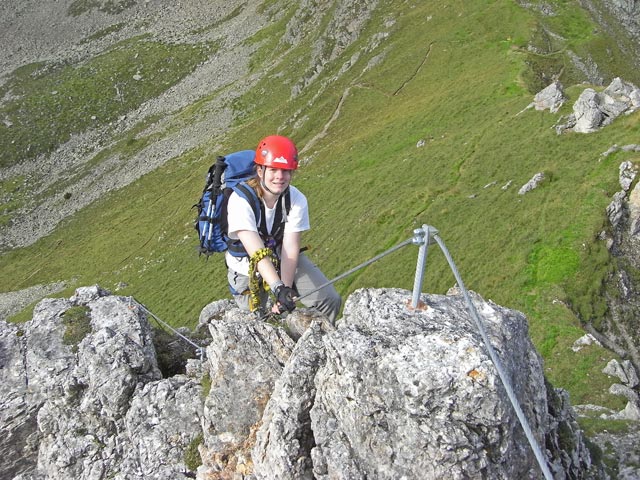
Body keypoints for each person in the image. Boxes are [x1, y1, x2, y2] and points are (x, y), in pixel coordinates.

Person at [225, 135, 341, 323]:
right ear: (260, 170)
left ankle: (316, 344)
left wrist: (285, 291)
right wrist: (279, 288)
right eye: (273, 170)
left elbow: (290, 247)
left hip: (281, 257)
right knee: (255, 323)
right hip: (246, 268)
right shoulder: (240, 200)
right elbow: (257, 253)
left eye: (285, 171)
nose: (280, 176)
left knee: (328, 299)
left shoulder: (296, 199)